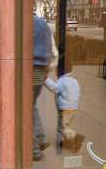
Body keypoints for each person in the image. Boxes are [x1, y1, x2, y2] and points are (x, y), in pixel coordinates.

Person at [44, 58, 82, 150]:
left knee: (62, 128)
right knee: (66, 125)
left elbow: (55, 88)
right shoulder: (74, 81)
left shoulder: (62, 81)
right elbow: (78, 93)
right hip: (73, 108)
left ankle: (75, 137)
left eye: (56, 70)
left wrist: (46, 79)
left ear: (59, 71)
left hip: (64, 109)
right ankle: (64, 141)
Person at [33, 15, 52, 161]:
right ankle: (40, 138)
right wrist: (46, 71)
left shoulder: (20, 23)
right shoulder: (43, 24)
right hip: (40, 71)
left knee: (22, 111)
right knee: (31, 106)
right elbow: (53, 52)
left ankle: (34, 149)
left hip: (25, 70)